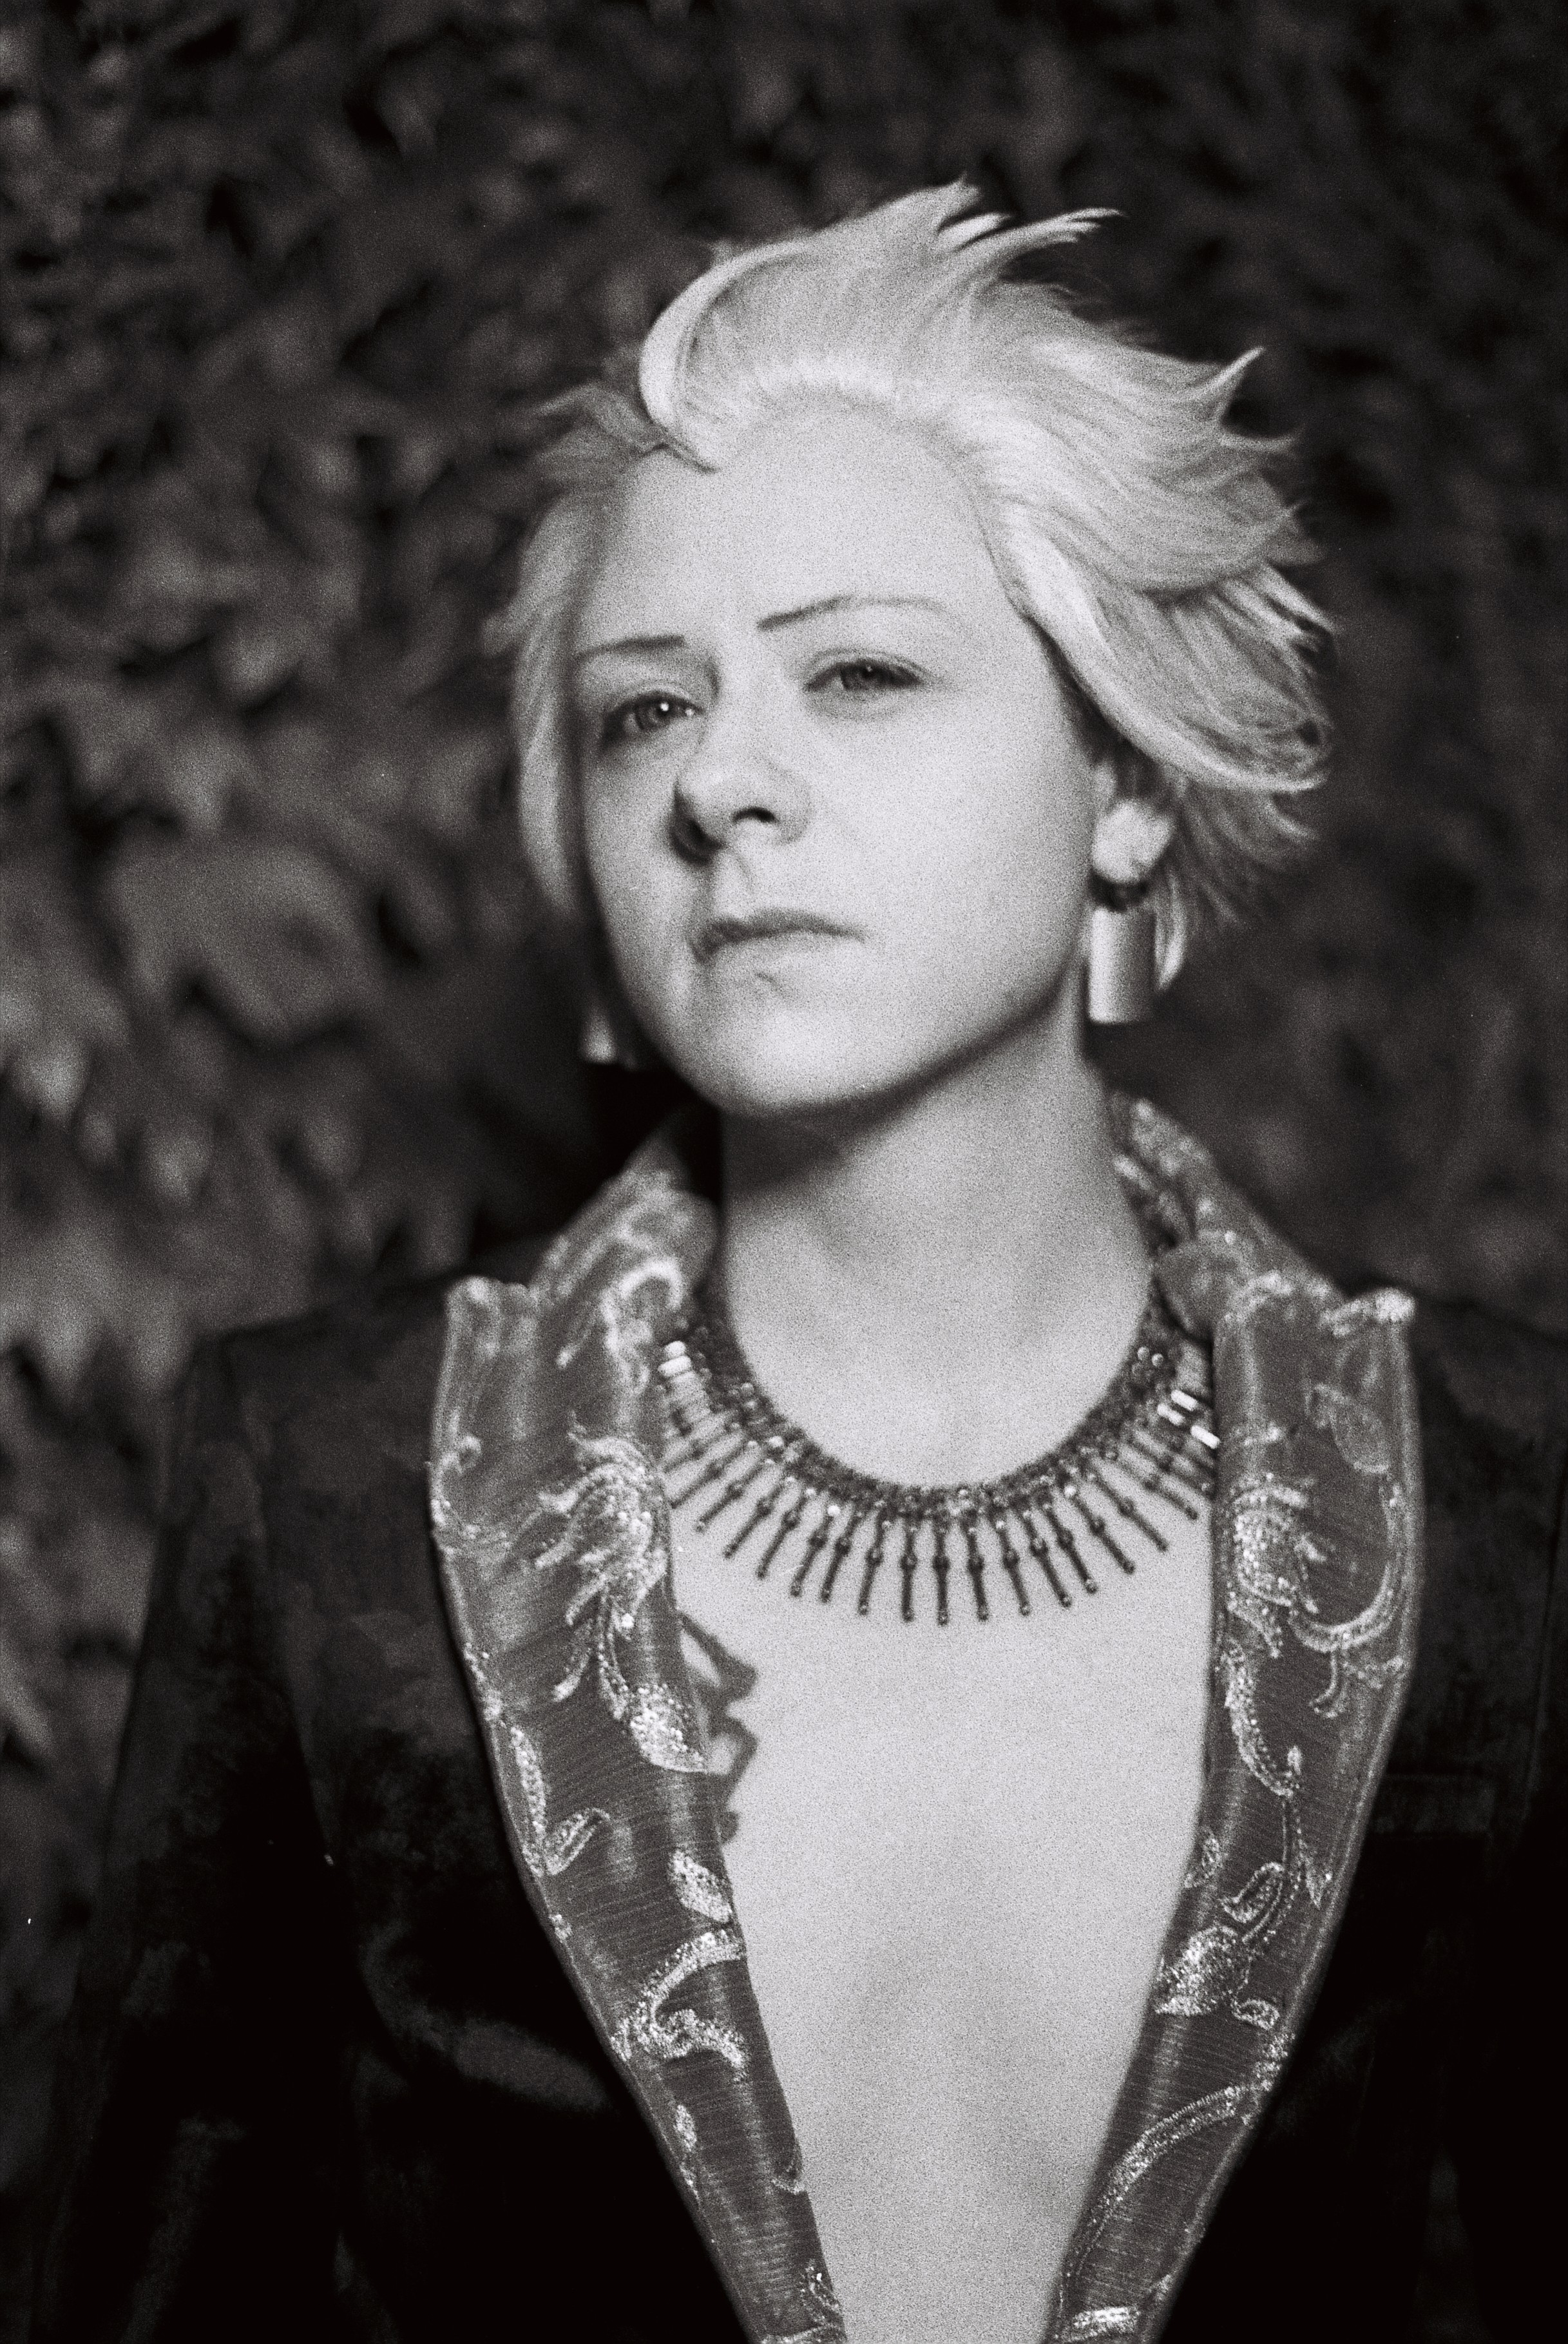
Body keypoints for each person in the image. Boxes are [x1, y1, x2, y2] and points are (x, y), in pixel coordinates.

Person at [31, 187, 1565, 2344]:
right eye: (641, 712)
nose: (725, 784)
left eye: (859, 672)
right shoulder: (336, 1485)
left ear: (1124, 783)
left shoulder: (1498, 1488)